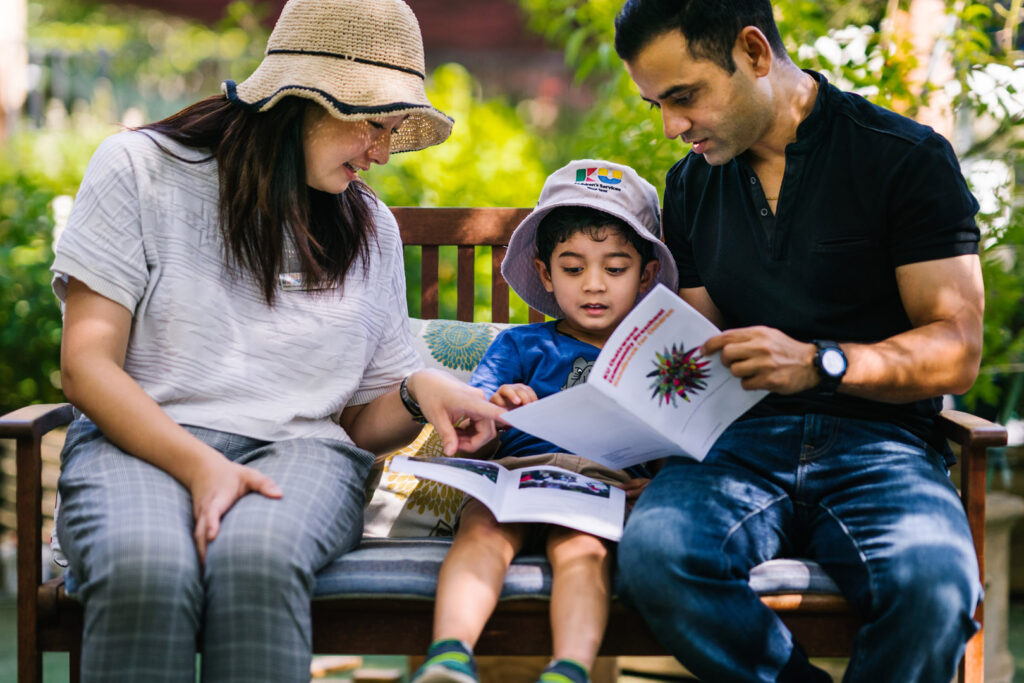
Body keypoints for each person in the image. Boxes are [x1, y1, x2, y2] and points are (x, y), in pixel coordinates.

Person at [49, 1, 505, 681]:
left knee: (256, 560)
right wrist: (203, 467)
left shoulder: (368, 227)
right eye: (373, 126)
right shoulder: (140, 170)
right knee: (147, 565)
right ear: (301, 99)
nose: (382, 153)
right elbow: (87, 365)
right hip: (139, 441)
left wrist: (416, 390)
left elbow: (354, 422)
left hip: (304, 455)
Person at [611, 1, 985, 682]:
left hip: (885, 445)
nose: (670, 127)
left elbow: (956, 345)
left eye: (684, 96)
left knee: (935, 583)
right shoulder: (691, 184)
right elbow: (698, 346)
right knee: (656, 554)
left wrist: (822, 363)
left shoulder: (903, 158)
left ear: (754, 53)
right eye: (655, 104)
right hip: (737, 445)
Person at [410, 160, 679, 683]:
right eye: (574, 268)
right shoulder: (520, 344)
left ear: (646, 275)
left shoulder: (660, 357)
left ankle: (568, 670)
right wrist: (496, 414)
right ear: (545, 273)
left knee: (583, 549)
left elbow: (681, 435)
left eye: (615, 268)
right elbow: (469, 424)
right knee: (482, 532)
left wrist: (662, 484)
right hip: (512, 476)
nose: (594, 285)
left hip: (600, 484)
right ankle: (448, 657)